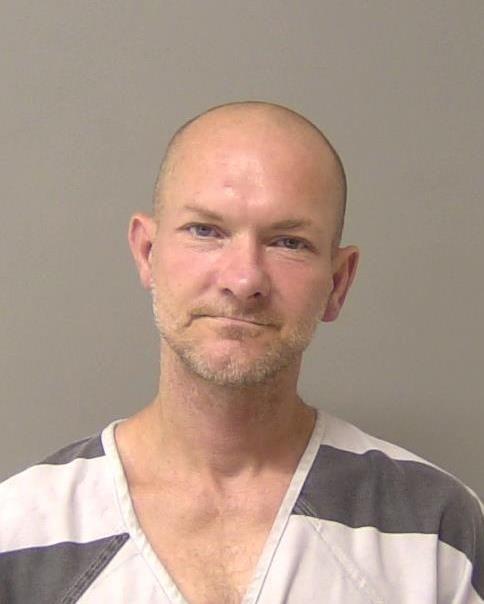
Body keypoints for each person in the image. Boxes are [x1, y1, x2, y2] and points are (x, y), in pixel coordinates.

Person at [0, 101, 482, 604]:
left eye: (288, 242)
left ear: (338, 282)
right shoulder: (18, 534)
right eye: (205, 231)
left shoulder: (438, 532)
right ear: (147, 252)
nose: (244, 278)